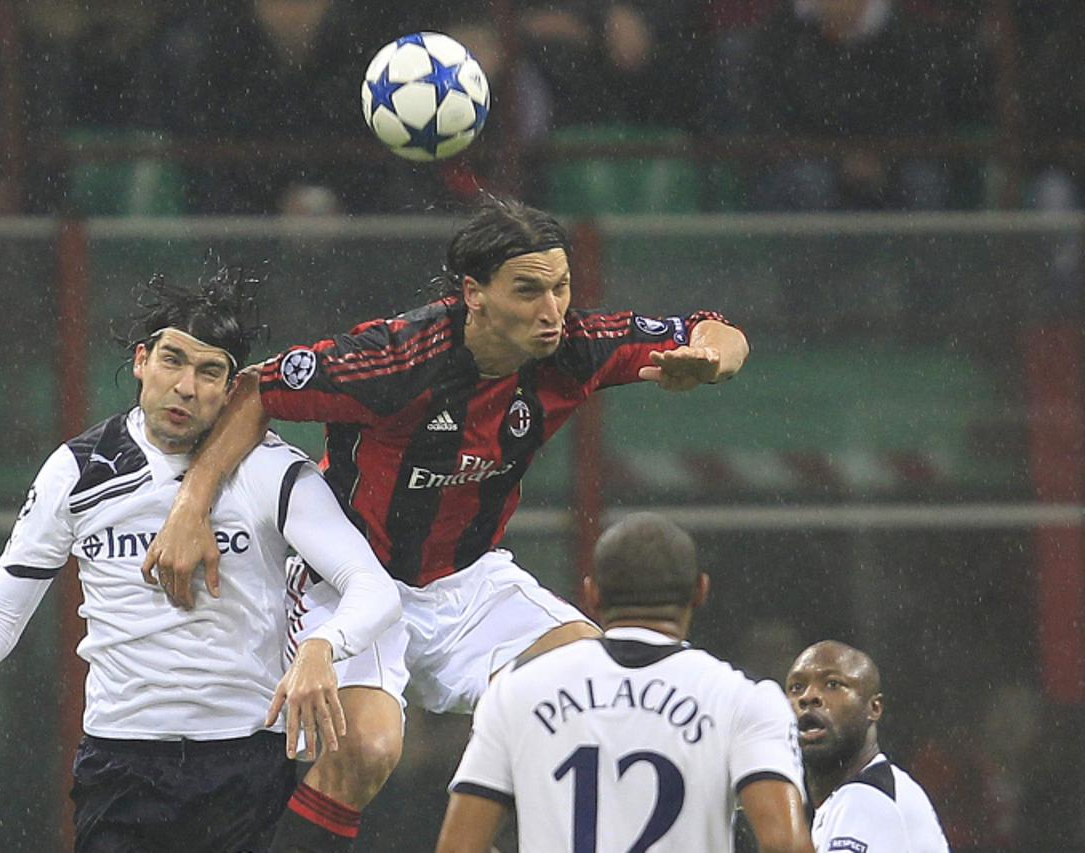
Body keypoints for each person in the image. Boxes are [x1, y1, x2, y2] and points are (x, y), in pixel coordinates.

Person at [143, 197, 749, 852]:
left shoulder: (572, 346)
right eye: (528, 291)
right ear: (474, 293)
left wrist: (712, 361)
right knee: (368, 749)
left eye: (561, 287)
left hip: (469, 580)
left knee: (603, 698)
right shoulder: (397, 357)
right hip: (353, 580)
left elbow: (714, 328)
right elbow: (259, 388)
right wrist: (190, 506)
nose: (551, 310)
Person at [0, 267, 401, 852]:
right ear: (141, 361)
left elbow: (374, 588)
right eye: (173, 361)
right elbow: (3, 614)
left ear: (232, 391)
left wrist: (321, 647)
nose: (186, 386)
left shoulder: (273, 473)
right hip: (121, 763)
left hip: (243, 762)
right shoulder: (77, 471)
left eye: (210, 372)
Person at [435, 512, 812, 853]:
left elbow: (458, 848)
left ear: (592, 593)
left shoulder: (516, 692)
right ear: (700, 591)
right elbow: (785, 843)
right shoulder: (744, 700)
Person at [785, 640, 950, 852]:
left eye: (832, 684)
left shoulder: (865, 799)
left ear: (873, 708)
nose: (808, 697)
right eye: (797, 687)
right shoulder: (864, 794)